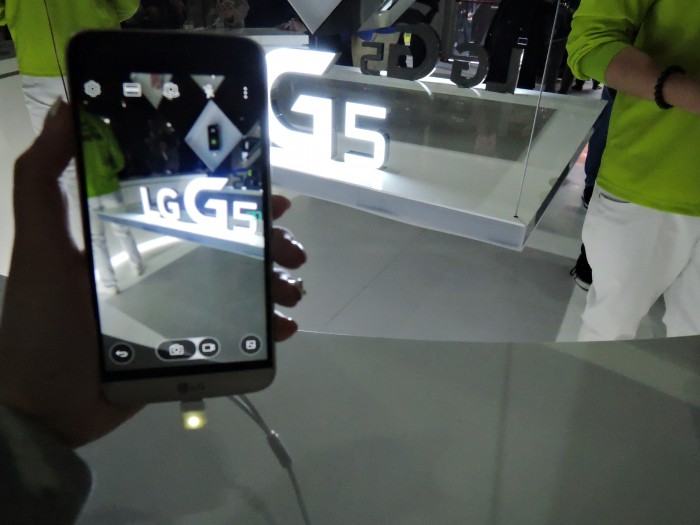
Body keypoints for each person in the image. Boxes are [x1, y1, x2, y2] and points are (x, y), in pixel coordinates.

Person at [0, 100, 308, 522]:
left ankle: (117, 275)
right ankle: (129, 268)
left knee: (108, 239)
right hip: (109, 187)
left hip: (101, 191)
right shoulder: (101, 130)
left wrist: (32, 419)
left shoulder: (93, 124)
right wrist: (32, 423)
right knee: (127, 237)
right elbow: (113, 156)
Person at [567, 0, 700, 340]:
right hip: (649, 175)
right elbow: (590, 42)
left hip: (647, 177)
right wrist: (683, 91)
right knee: (607, 334)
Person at [0, 0, 140, 249]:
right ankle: (122, 247)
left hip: (40, 60)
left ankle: (92, 255)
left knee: (64, 170)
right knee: (108, 154)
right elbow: (127, 5)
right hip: (95, 50)